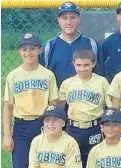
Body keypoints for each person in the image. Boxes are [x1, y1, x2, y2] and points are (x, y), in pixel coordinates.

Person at [2, 32, 58, 168]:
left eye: (32, 48)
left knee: (44, 164)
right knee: (21, 164)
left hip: (42, 124)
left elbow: (53, 104)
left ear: (39, 50)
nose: (28, 53)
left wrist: (50, 126)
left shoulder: (48, 75)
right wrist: (7, 135)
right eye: (24, 49)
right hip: (21, 127)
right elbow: (8, 106)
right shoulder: (13, 76)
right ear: (19, 52)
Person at [58, 47, 112, 168]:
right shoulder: (67, 83)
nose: (82, 69)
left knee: (94, 160)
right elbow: (60, 108)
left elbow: (110, 107)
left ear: (94, 64)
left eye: (86, 65)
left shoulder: (101, 82)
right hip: (73, 128)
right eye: (79, 65)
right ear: (73, 64)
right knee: (73, 161)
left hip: (94, 128)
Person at [39, 1, 103, 87]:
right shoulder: (48, 47)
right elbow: (41, 77)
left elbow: (100, 75)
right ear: (59, 20)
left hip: (86, 97)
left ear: (79, 19)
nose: (68, 22)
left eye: (72, 18)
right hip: (57, 98)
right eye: (65, 18)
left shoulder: (92, 45)